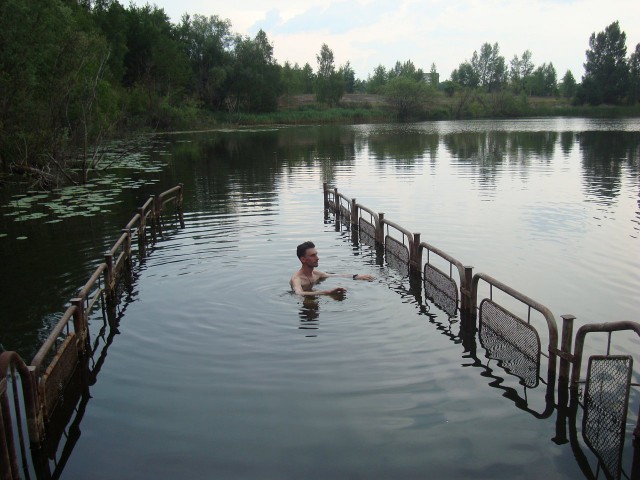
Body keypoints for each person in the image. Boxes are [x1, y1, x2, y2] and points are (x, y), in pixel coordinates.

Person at [290, 241, 375, 296]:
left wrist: (356, 276)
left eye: (316, 254)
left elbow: (336, 275)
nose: (317, 258)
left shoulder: (316, 274)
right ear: (303, 259)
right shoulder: (297, 279)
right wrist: (327, 292)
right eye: (313, 255)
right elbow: (299, 293)